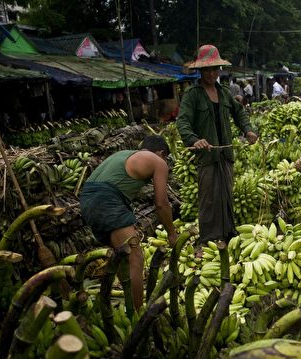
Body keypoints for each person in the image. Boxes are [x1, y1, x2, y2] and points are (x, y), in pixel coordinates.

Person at [176, 44, 258, 253]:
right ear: (200, 71)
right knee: (209, 197)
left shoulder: (223, 92)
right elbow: (183, 122)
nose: (212, 73)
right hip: (207, 155)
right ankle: (209, 239)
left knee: (226, 194)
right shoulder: (192, 95)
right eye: (207, 70)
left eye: (215, 69)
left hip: (225, 153)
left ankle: (228, 233)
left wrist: (248, 130)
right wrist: (194, 140)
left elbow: (239, 114)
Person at [79, 135, 177, 310]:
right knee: (135, 258)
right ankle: (137, 316)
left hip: (87, 199)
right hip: (106, 199)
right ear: (161, 153)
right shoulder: (158, 162)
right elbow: (161, 204)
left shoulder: (124, 154)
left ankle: (125, 306)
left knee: (122, 258)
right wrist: (171, 233)